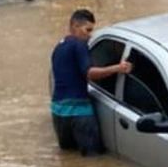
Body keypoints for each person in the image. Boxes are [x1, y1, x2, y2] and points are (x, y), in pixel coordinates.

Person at [50, 9, 132, 156]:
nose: (89, 35)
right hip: (79, 111)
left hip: (58, 111)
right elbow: (90, 73)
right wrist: (118, 68)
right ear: (75, 26)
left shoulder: (58, 47)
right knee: (92, 159)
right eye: (87, 30)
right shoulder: (79, 45)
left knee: (69, 158)